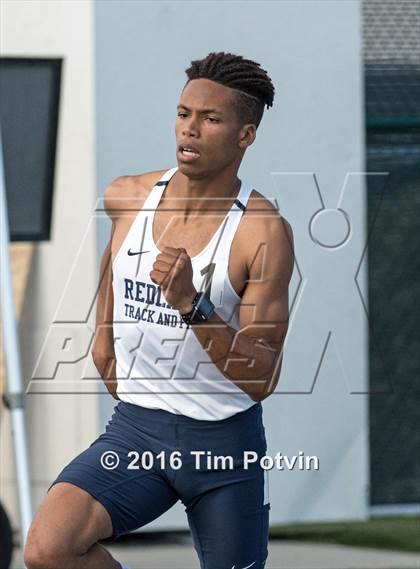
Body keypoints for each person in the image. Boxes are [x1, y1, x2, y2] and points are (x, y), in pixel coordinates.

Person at [24, 51, 294, 569]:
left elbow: (262, 375)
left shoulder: (262, 233)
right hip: (136, 432)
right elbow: (108, 311)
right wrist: (110, 356)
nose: (190, 129)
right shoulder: (127, 196)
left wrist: (192, 305)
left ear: (245, 136)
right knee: (47, 551)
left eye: (210, 119)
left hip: (222, 446)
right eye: (183, 113)